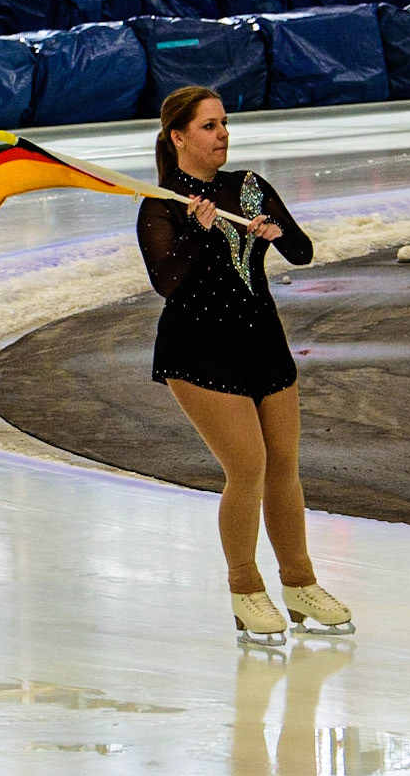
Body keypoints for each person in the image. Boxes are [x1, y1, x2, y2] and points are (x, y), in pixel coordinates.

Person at [137, 85, 352, 645]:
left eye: (224, 124)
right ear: (178, 137)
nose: (222, 135)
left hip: (262, 341)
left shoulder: (249, 188)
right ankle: (244, 587)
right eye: (208, 127)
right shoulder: (160, 203)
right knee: (248, 467)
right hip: (197, 350)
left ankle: (300, 584)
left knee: (284, 466)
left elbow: (302, 251)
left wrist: (276, 234)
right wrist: (200, 232)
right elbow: (167, 283)